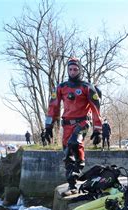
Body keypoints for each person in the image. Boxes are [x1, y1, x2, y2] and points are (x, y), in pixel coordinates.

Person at [45, 57, 103, 196]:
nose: (72, 72)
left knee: (74, 142)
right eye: (70, 69)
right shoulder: (61, 87)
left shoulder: (86, 87)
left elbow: (96, 108)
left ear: (80, 70)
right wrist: (48, 126)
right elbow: (53, 106)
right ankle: (72, 185)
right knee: (67, 155)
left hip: (82, 122)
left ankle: (79, 168)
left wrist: (98, 129)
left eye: (75, 69)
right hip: (67, 125)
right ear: (67, 70)